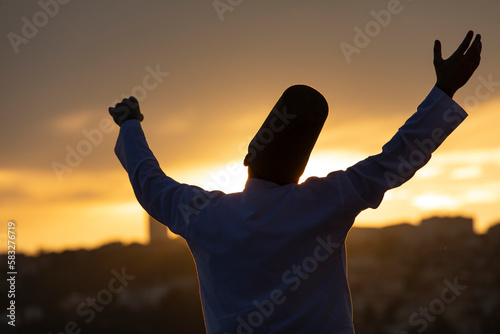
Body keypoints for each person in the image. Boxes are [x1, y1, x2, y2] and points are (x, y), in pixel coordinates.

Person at [109, 31, 482, 334]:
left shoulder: (204, 216)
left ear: (248, 155)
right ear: (300, 172)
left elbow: (149, 182)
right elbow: (397, 159)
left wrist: (130, 124)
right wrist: (443, 92)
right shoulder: (324, 202)